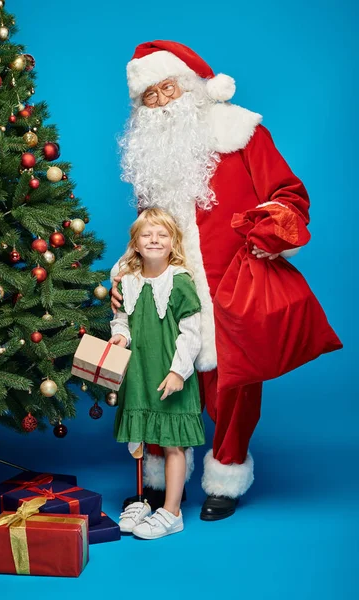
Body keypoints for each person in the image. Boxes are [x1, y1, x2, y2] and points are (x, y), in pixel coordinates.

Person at [111, 40, 312, 521]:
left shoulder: (240, 133)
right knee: (161, 373)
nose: (160, 102)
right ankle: (159, 477)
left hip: (232, 281)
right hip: (166, 284)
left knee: (232, 384)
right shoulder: (150, 154)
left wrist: (269, 232)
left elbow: (289, 194)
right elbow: (147, 225)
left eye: (168, 88)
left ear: (192, 87)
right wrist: (127, 268)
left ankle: (227, 471)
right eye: (150, 96)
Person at [109, 207, 204, 539]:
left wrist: (179, 372)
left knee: (173, 444)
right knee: (143, 434)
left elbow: (192, 332)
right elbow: (123, 320)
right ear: (135, 242)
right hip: (139, 372)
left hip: (169, 373)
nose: (153, 240)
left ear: (173, 242)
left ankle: (172, 510)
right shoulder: (128, 280)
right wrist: (120, 335)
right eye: (146, 234)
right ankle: (141, 500)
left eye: (161, 234)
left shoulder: (179, 281)